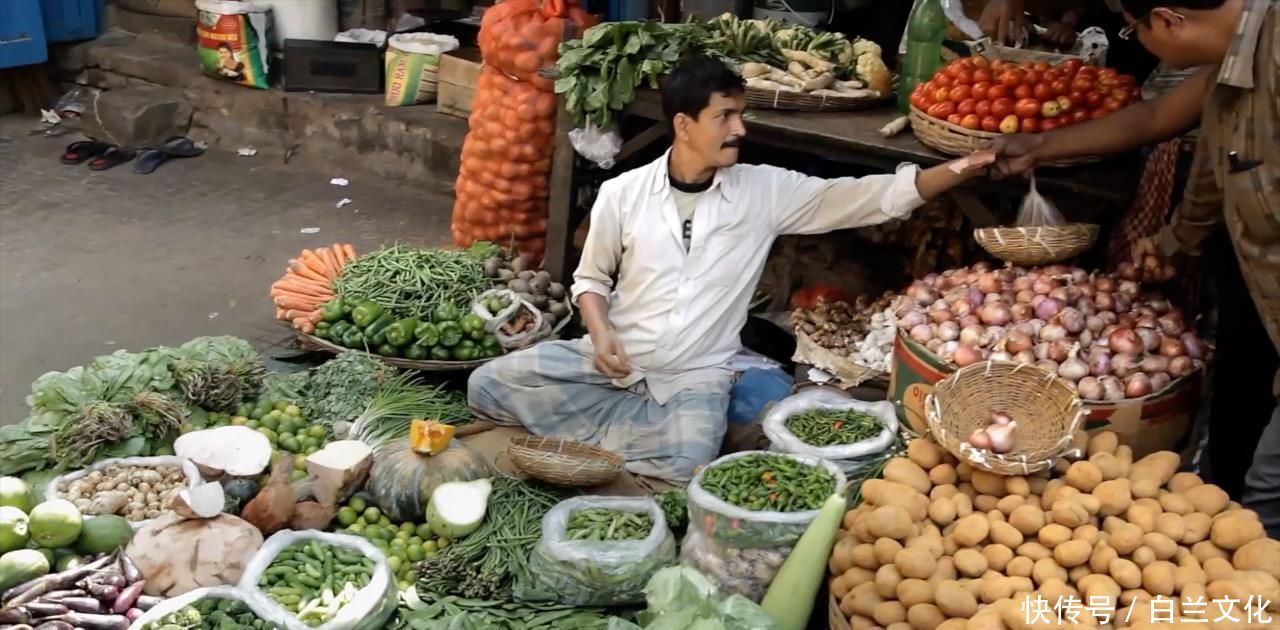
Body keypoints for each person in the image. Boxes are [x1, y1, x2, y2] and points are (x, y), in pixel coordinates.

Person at [467, 55, 994, 483]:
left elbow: (865, 197)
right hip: (614, 361)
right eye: (726, 117)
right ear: (684, 124)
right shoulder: (622, 193)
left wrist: (961, 168)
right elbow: (591, 280)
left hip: (697, 377)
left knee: (681, 469)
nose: (740, 129)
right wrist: (601, 332)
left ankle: (617, 442)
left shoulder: (762, 191)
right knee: (488, 385)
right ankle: (624, 437)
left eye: (740, 115)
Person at [989, 0, 1279, 535]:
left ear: (1167, 20)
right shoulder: (1234, 58)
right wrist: (1040, 146)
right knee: (1238, 415)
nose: (1136, 42)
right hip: (1259, 284)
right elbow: (1159, 118)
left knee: (1267, 495)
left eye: (1133, 29)